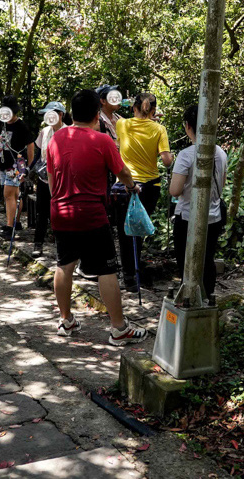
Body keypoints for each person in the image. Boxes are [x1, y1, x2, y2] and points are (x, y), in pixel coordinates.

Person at [47, 90, 147, 346]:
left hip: (60, 211)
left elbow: (51, 180)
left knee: (64, 264)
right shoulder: (101, 140)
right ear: (96, 115)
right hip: (91, 214)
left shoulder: (56, 139)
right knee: (106, 269)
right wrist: (132, 185)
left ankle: (65, 320)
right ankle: (118, 328)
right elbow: (122, 171)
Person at [169, 104, 228, 305]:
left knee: (187, 261)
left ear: (188, 126)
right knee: (207, 258)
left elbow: (175, 191)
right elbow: (222, 183)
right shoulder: (220, 152)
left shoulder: (186, 155)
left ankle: (189, 300)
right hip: (214, 217)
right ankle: (207, 297)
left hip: (187, 217)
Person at [114, 92, 174, 290]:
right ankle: (136, 272)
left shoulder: (122, 125)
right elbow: (166, 161)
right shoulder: (159, 129)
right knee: (138, 231)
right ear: (154, 110)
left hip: (126, 184)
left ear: (134, 108)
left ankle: (129, 277)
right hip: (150, 187)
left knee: (125, 232)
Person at [0, 96, 35, 239]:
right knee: (15, 194)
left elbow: (30, 144)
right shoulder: (1, 123)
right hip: (4, 163)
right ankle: (16, 222)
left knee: (8, 195)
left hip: (16, 164)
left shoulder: (21, 125)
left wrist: (29, 166)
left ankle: (9, 227)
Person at [32, 101, 66, 256]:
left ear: (60, 115)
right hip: (44, 179)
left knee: (61, 213)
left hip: (62, 181)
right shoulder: (44, 131)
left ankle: (61, 247)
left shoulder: (69, 132)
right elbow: (38, 154)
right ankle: (37, 245)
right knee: (41, 212)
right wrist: (28, 169)